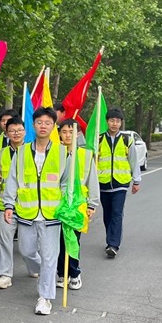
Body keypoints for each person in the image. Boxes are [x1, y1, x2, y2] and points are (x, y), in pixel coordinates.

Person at [1, 106, 68, 316]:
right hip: (27, 212)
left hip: (52, 214)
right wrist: (8, 204)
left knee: (50, 257)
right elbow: (12, 180)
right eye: (39, 122)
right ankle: (47, 272)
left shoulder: (62, 152)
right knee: (26, 251)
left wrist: (67, 206)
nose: (43, 126)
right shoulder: (21, 152)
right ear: (33, 125)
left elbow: (67, 182)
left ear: (53, 126)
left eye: (48, 123)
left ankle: (45, 297)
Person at [0, 117, 40, 290]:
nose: (16, 133)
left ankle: (35, 266)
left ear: (25, 132)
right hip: (6, 206)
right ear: (7, 133)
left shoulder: (34, 152)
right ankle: (5, 275)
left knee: (28, 246)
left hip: (27, 206)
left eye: (19, 130)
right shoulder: (1, 154)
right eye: (12, 131)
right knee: (4, 241)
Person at [55, 119, 99, 290]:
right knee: (59, 240)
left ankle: (74, 273)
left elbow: (92, 180)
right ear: (59, 133)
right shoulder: (55, 154)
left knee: (73, 240)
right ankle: (61, 273)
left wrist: (92, 204)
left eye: (71, 132)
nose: (68, 135)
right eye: (64, 132)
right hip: (58, 204)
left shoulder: (86, 155)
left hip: (78, 205)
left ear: (78, 134)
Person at [97, 108, 141, 258]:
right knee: (107, 214)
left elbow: (134, 161)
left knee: (117, 213)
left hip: (120, 184)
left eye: (117, 121)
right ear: (107, 121)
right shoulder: (99, 140)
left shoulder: (127, 140)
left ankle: (113, 244)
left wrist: (136, 180)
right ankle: (111, 238)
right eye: (112, 120)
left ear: (121, 123)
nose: (114, 124)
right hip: (102, 183)